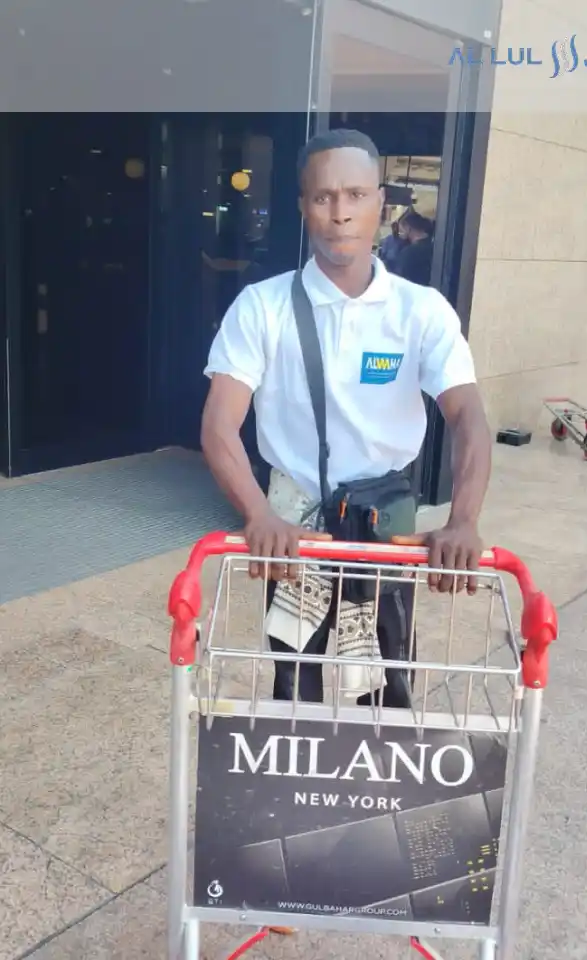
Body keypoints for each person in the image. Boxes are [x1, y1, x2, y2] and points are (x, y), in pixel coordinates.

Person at [200, 127, 492, 708]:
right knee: (294, 683)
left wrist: (462, 520)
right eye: (324, 197)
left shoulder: (420, 312)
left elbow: (469, 418)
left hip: (384, 527)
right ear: (303, 206)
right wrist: (258, 514)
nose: (340, 213)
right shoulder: (262, 306)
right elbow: (218, 424)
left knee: (389, 684)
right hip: (296, 524)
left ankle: (381, 753)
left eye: (356, 195)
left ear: (381, 202)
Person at [395, 209, 434, 286]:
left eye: (401, 230)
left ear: (408, 228)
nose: (400, 234)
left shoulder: (409, 252)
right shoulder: (435, 247)